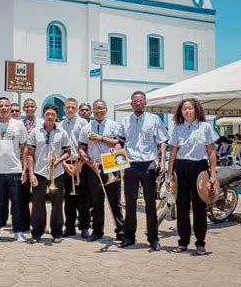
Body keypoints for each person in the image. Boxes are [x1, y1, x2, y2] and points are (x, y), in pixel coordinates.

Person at [167, 98, 218, 255]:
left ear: (196, 109)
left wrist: (213, 175)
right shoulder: (177, 128)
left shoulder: (205, 127)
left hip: (200, 169)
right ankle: (183, 242)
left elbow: (211, 152)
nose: (186, 111)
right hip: (181, 169)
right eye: (183, 109)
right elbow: (173, 152)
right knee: (181, 207)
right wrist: (169, 175)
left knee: (199, 208)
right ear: (180, 112)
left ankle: (200, 243)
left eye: (189, 108)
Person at [120, 91, 169, 251]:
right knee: (130, 203)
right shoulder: (125, 121)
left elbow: (162, 141)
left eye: (141, 101)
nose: (138, 103)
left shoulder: (154, 119)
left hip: (149, 165)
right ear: (131, 104)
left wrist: (162, 162)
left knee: (150, 204)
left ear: (145, 102)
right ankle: (129, 237)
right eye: (135, 101)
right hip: (130, 165)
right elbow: (120, 143)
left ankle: (153, 238)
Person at [0, 97, 28, 243]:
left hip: (15, 169)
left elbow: (24, 149)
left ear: (10, 108)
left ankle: (18, 231)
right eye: (1, 105)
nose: (4, 108)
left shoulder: (19, 125)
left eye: (6, 105)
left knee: (16, 202)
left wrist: (25, 169)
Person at [78, 100, 124, 241]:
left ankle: (120, 230)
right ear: (92, 110)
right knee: (96, 201)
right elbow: (81, 148)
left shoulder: (114, 125)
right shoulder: (86, 127)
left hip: (111, 165)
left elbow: (120, 143)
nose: (99, 111)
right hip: (94, 166)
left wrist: (100, 138)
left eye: (101, 108)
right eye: (96, 109)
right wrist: (89, 162)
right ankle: (97, 231)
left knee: (114, 200)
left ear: (106, 109)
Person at [27, 104, 70, 243]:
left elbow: (68, 152)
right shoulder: (35, 132)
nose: (50, 117)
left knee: (57, 204)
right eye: (47, 114)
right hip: (39, 172)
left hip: (56, 172)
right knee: (37, 203)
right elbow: (30, 154)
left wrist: (58, 161)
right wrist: (31, 174)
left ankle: (57, 232)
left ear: (57, 116)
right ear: (43, 115)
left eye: (53, 114)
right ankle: (37, 232)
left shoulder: (62, 133)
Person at [58, 97, 90, 239]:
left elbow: (88, 145)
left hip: (80, 163)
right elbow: (56, 147)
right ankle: (69, 227)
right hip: (66, 163)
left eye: (73, 107)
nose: (70, 109)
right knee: (69, 198)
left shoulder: (83, 123)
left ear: (76, 108)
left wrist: (81, 164)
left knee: (83, 198)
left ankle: (84, 227)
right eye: (68, 107)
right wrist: (64, 164)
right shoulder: (59, 125)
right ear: (64, 108)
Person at [20, 98, 44, 232]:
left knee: (38, 197)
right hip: (23, 162)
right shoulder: (19, 124)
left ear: (35, 108)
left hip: (39, 163)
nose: (29, 109)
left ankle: (40, 223)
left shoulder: (41, 123)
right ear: (24, 109)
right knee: (23, 196)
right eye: (27, 107)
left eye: (32, 107)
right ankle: (25, 223)